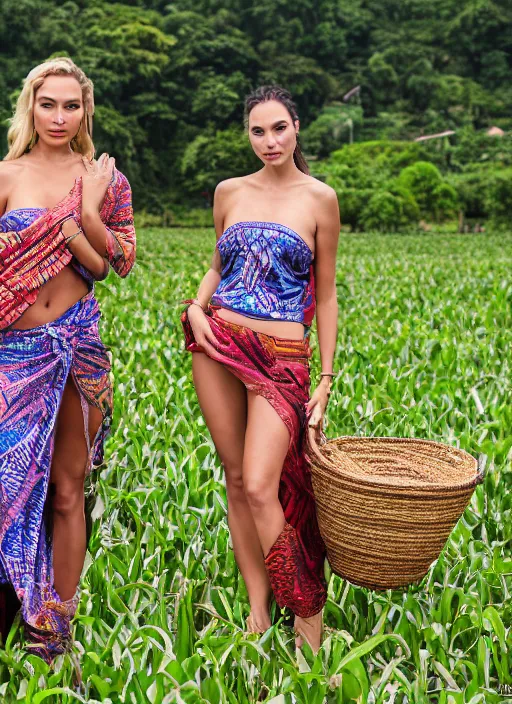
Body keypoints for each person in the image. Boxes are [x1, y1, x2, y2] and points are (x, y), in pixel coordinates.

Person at [181, 85, 339, 652]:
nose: (269, 141)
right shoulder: (229, 192)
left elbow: (324, 296)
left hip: (283, 357)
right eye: (257, 131)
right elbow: (218, 264)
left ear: (297, 127)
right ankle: (257, 605)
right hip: (219, 344)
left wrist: (324, 379)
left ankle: (306, 607)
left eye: (278, 128)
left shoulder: (320, 199)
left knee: (261, 483)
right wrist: (197, 308)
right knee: (234, 478)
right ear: (247, 135)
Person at [0, 57, 136, 662]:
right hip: (13, 352)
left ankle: (54, 633)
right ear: (30, 106)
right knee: (9, 487)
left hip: (78, 345)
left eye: (70, 105)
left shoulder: (105, 179)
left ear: (86, 111)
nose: (58, 116)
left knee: (67, 489)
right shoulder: (6, 174)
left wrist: (84, 213)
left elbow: (118, 261)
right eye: (47, 104)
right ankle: (12, 605)